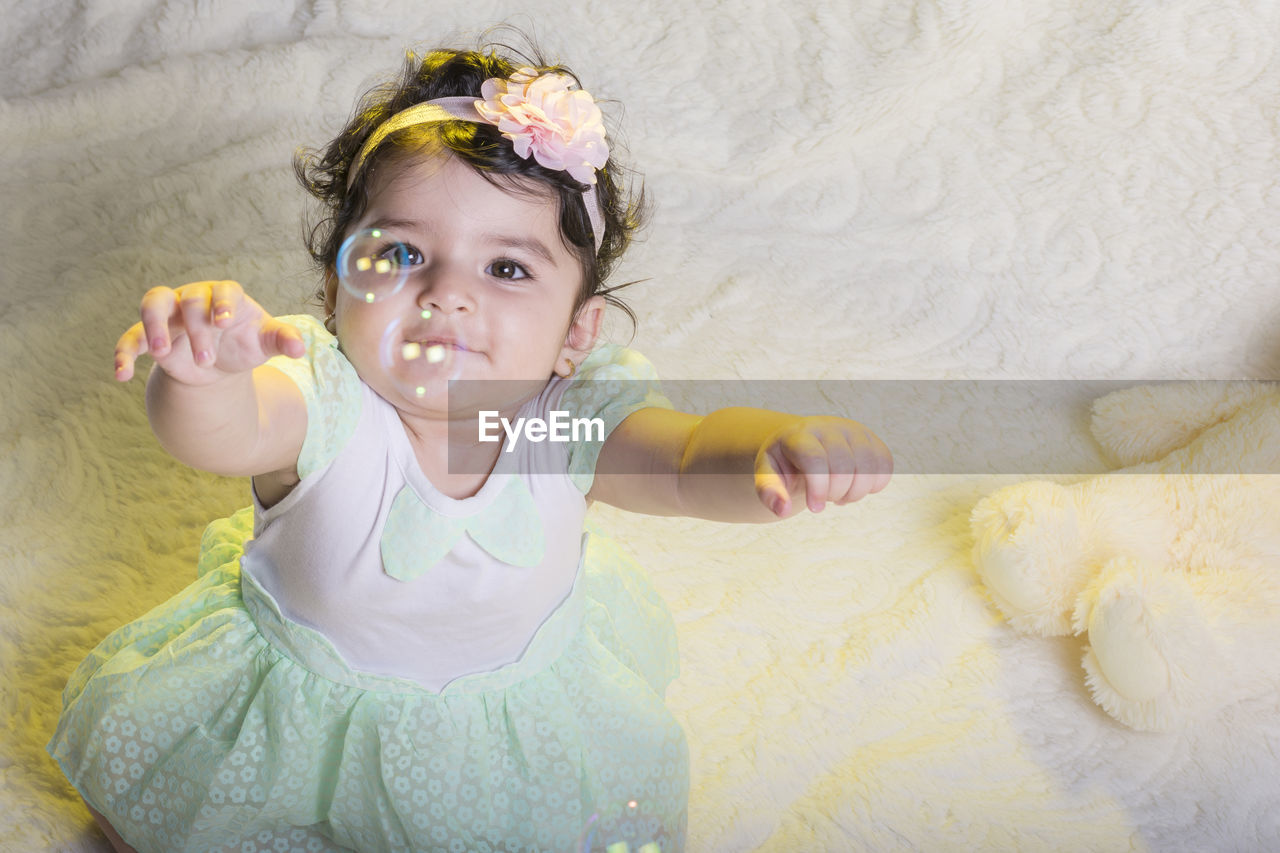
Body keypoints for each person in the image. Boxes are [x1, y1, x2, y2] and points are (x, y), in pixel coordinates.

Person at [48, 39, 892, 853]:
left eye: (509, 269)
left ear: (577, 332)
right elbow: (229, 431)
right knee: (177, 821)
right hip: (308, 708)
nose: (448, 295)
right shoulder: (327, 399)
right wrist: (202, 374)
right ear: (337, 283)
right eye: (404, 252)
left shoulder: (561, 420)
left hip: (507, 717)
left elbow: (681, 457)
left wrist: (769, 452)